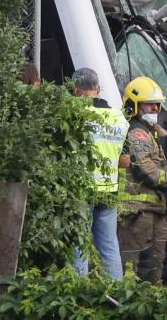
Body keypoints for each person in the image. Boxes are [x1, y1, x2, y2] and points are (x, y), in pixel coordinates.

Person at [117, 76, 167, 283]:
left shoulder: (148, 132)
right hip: (138, 210)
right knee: (136, 263)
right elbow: (143, 166)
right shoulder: (137, 132)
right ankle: (132, 304)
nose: (155, 108)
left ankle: (155, 302)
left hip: (154, 209)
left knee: (162, 260)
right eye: (149, 104)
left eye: (157, 104)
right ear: (135, 105)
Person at [71, 68, 128, 280]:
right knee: (109, 247)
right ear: (98, 89)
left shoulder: (75, 114)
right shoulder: (118, 117)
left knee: (79, 246)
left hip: (82, 188)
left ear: (75, 90)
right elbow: (125, 159)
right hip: (109, 190)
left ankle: (77, 296)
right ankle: (118, 296)